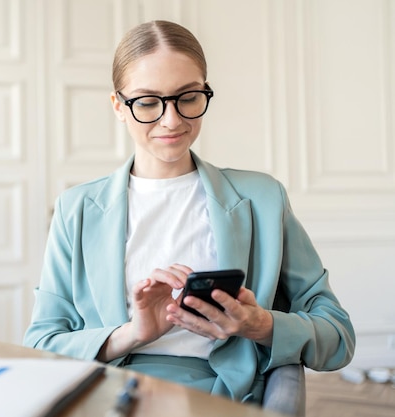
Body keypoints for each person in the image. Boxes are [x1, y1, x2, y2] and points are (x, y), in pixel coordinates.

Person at [23, 20, 355, 404]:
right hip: (111, 395)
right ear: (118, 105)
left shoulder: (263, 198)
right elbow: (42, 344)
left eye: (188, 97)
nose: (172, 120)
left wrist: (257, 323)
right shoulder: (77, 208)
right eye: (147, 102)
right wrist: (135, 332)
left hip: (222, 397)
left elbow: (338, 336)